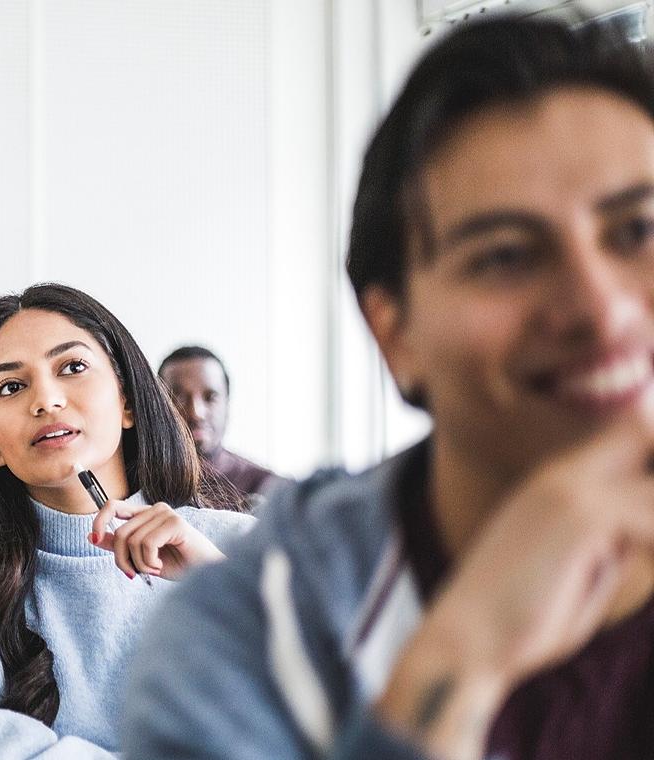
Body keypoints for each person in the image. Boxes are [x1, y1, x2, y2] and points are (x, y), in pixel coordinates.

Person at [121, 16, 654, 760]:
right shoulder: (252, 635)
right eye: (506, 255)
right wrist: (457, 663)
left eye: (637, 232)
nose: (601, 310)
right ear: (394, 333)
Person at [0, 283, 252, 759]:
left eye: (72, 367)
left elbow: (326, 725)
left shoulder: (234, 546)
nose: (46, 400)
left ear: (127, 401)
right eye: (11, 386)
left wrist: (222, 589)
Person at [158, 345, 290, 497]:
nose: (196, 413)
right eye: (178, 397)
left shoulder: (270, 489)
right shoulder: (139, 484)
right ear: (158, 406)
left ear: (227, 404)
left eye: (210, 397)